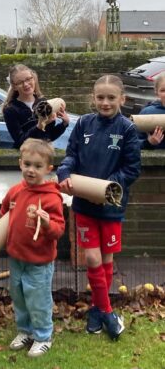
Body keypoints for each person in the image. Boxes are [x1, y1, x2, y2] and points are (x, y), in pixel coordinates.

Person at [57, 74, 141, 341]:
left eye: (111, 98)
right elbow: (71, 155)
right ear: (93, 98)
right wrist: (64, 173)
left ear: (122, 99)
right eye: (100, 97)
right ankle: (107, 311)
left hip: (111, 206)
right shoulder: (83, 123)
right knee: (92, 258)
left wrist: (105, 188)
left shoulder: (127, 129)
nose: (105, 102)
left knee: (106, 259)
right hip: (84, 205)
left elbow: (132, 169)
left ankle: (96, 310)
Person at [0, 138, 65, 358]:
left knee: (38, 300)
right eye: (27, 164)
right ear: (20, 163)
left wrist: (47, 223)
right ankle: (25, 331)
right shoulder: (15, 191)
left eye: (37, 166)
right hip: (16, 257)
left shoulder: (51, 198)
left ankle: (43, 336)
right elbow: (4, 215)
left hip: (39, 261)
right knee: (18, 296)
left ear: (48, 169)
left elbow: (58, 231)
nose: (31, 170)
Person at [3, 64, 70, 149]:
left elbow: (49, 136)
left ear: (33, 79)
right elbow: (20, 141)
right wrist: (39, 126)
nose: (26, 84)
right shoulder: (10, 110)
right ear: (14, 86)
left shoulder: (44, 102)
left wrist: (64, 124)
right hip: (26, 156)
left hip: (43, 154)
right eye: (20, 82)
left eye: (28, 79)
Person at [137, 71, 165, 149]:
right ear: (156, 92)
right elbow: (133, 142)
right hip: (155, 160)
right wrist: (149, 142)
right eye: (163, 90)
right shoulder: (147, 112)